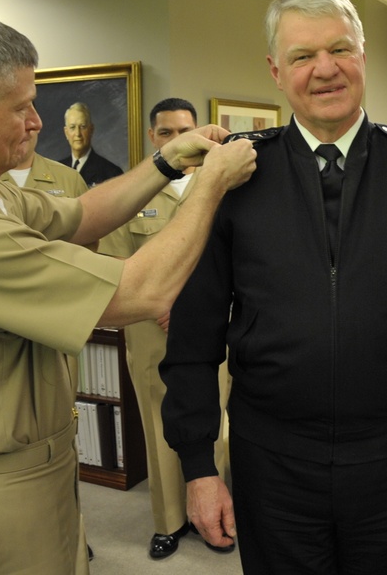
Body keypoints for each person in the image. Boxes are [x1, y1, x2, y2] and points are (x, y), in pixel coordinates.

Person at [0, 8, 256, 575]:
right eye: (22, 107)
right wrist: (211, 185)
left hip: (41, 469)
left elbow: (82, 214)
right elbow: (142, 290)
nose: (37, 121)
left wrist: (166, 161)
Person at [161, 0, 387, 575]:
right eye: (302, 56)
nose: (325, 69)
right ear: (276, 70)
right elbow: (193, 337)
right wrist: (198, 466)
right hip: (271, 459)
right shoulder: (234, 179)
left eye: (340, 49)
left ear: (363, 56)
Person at [98, 97, 232, 560]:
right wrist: (161, 300)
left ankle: (215, 511)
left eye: (184, 130)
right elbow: (114, 260)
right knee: (158, 427)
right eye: (166, 133)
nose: (177, 141)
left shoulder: (221, 187)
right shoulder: (135, 194)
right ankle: (169, 520)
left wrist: (192, 303)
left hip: (211, 330)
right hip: (151, 331)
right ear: (152, 138)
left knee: (216, 423)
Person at [60, 102, 125, 187]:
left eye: (82, 127)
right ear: (66, 132)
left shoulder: (111, 173)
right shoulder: (58, 170)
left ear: (91, 130)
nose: (78, 133)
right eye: (72, 127)